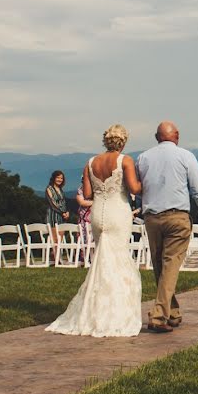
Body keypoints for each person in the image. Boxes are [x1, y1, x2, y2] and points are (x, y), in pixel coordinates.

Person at [47, 124, 143, 337]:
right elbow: (134, 188)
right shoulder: (124, 160)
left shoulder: (90, 163)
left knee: (102, 258)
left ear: (106, 141)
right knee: (118, 259)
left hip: (98, 213)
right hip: (118, 212)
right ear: (123, 142)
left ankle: (94, 309)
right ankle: (116, 312)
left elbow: (88, 193)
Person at [136, 120, 198, 333]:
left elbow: (137, 188)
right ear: (176, 135)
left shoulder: (143, 158)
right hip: (177, 216)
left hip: (152, 217)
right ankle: (159, 316)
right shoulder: (186, 156)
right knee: (169, 266)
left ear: (156, 137)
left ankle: (174, 312)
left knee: (161, 266)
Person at [45, 170, 69, 247]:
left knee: (60, 240)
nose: (60, 180)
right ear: (54, 178)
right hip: (53, 216)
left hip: (62, 217)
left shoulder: (60, 190)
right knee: (55, 240)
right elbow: (52, 203)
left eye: (61, 178)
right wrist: (62, 212)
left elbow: (63, 203)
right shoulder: (49, 189)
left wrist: (67, 212)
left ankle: (57, 256)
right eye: (58, 177)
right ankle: (56, 257)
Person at [75, 175, 92, 261]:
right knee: (83, 236)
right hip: (84, 218)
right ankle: (83, 256)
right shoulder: (80, 190)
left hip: (93, 217)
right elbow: (82, 202)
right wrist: (94, 202)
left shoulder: (95, 190)